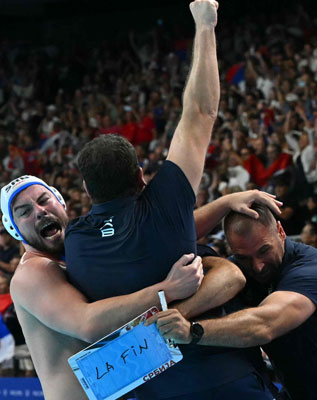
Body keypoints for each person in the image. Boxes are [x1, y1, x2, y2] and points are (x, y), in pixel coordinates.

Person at [64, 2, 279, 398]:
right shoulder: (165, 204)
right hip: (222, 380)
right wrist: (204, 26)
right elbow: (200, 111)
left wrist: (221, 204)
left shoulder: (74, 239)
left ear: (87, 192)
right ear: (141, 176)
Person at [0, 174, 231, 399]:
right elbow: (87, 323)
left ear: (60, 202)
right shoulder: (32, 273)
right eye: (25, 212)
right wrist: (168, 289)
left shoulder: (79, 250)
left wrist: (225, 204)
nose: (39, 212)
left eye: (43, 200)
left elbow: (166, 237)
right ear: (14, 229)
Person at [149, 203, 317, 399]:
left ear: (280, 231)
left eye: (264, 251)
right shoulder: (242, 269)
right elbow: (172, 239)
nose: (257, 266)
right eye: (244, 257)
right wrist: (225, 203)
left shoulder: (312, 270)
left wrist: (192, 331)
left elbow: (265, 325)